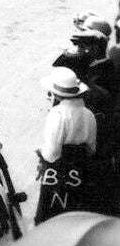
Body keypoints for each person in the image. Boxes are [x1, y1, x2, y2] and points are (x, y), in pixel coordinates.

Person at [35, 67, 97, 224]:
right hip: (81, 170)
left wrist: (41, 153)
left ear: (56, 94)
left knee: (51, 214)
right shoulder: (89, 114)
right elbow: (91, 148)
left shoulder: (58, 114)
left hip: (59, 171)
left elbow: (52, 153)